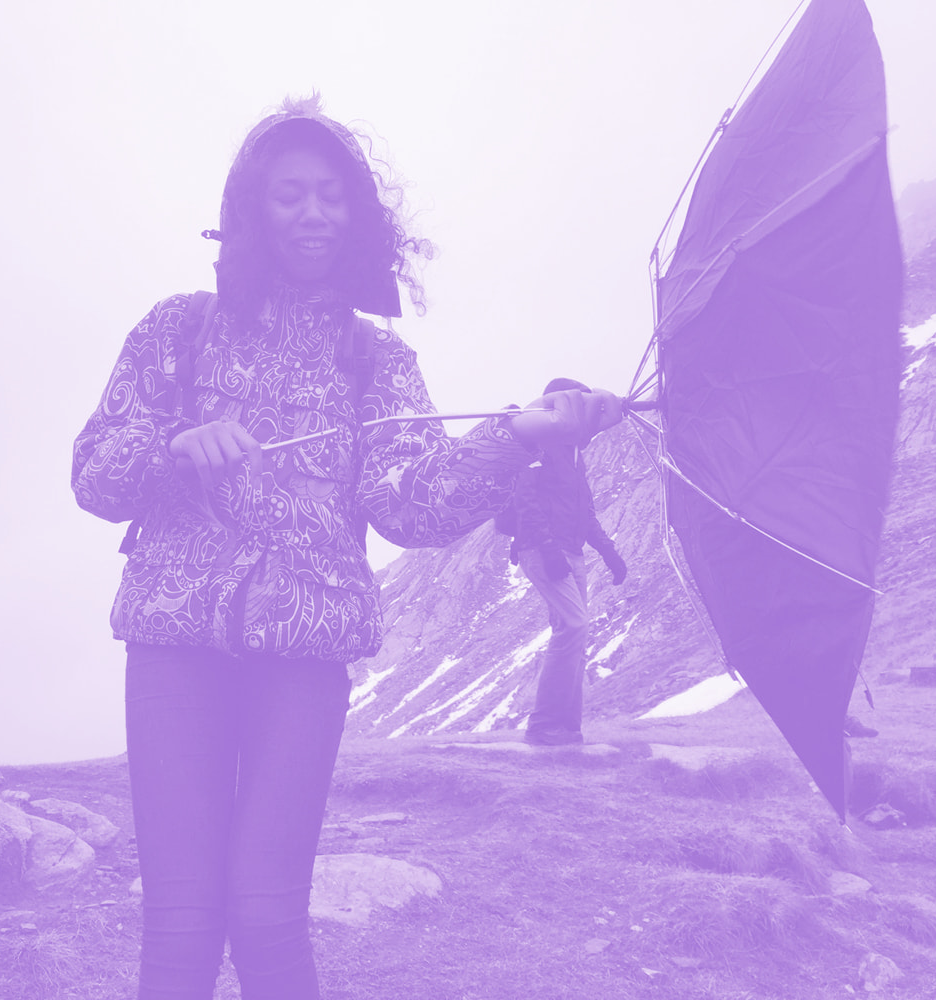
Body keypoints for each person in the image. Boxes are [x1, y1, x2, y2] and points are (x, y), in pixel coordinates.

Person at [71, 96, 622, 1000]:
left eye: (332, 195)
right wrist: (170, 452)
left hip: (306, 663)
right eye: (290, 194)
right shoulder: (176, 331)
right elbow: (93, 474)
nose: (314, 213)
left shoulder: (376, 361)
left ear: (360, 216)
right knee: (180, 921)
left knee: (267, 917)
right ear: (251, 208)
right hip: (172, 652)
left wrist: (518, 436)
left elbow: (411, 505)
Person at [507, 378, 627, 747]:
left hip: (571, 552)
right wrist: (549, 551)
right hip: (541, 550)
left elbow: (585, 514)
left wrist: (610, 554)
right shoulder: (538, 446)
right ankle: (542, 726)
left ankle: (569, 728)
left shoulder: (576, 456)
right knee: (574, 626)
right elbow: (525, 503)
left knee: (575, 632)